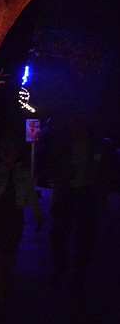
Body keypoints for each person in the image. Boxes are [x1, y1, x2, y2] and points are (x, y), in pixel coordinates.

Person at [46, 111, 112, 288]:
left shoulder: (97, 145)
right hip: (66, 193)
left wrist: (100, 192)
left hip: (87, 195)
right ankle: (61, 268)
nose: (77, 126)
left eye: (81, 121)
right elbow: (51, 166)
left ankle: (79, 275)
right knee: (58, 234)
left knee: (85, 237)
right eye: (74, 121)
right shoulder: (63, 145)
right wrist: (62, 176)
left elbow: (105, 171)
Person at [0, 136, 43, 305]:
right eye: (4, 151)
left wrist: (38, 216)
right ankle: (0, 290)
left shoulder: (22, 173)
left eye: (11, 151)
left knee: (10, 253)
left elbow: (31, 195)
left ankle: (4, 283)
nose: (8, 155)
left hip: (15, 217)